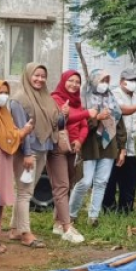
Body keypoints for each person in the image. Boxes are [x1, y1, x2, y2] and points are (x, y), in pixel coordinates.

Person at [9, 63, 70, 246]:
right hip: (28, 152)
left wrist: (63, 115)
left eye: (43, 76)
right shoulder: (19, 99)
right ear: (28, 76)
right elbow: (22, 129)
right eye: (36, 75)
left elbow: (53, 122)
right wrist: (27, 153)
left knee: (25, 191)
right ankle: (26, 233)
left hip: (43, 149)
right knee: (25, 193)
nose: (39, 79)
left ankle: (14, 229)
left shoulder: (46, 98)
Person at [0, 79, 34, 252]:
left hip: (4, 160)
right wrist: (23, 133)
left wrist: (21, 132)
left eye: (5, 92)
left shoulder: (3, 112)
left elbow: (10, 134)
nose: (3, 96)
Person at [69, 70, 127, 227]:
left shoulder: (111, 99)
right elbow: (80, 124)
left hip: (108, 145)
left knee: (101, 182)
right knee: (85, 182)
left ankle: (93, 217)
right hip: (89, 145)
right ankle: (70, 215)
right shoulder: (83, 100)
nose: (104, 84)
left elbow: (120, 124)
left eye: (107, 80)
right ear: (93, 81)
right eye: (102, 80)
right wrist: (97, 118)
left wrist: (122, 148)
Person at [50, 70, 92, 240]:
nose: (74, 85)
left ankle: (58, 223)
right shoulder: (56, 98)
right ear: (63, 81)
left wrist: (80, 141)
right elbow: (70, 117)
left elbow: (84, 125)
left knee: (68, 184)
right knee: (62, 186)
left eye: (77, 82)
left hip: (72, 148)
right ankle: (67, 228)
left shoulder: (76, 101)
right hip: (58, 147)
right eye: (70, 81)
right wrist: (88, 113)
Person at [105, 69, 136, 214]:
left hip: (130, 145)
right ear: (121, 81)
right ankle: (108, 209)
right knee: (111, 178)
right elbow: (120, 110)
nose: (132, 83)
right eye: (129, 80)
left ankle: (125, 209)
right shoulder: (114, 94)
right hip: (113, 143)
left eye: (135, 80)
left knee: (130, 179)